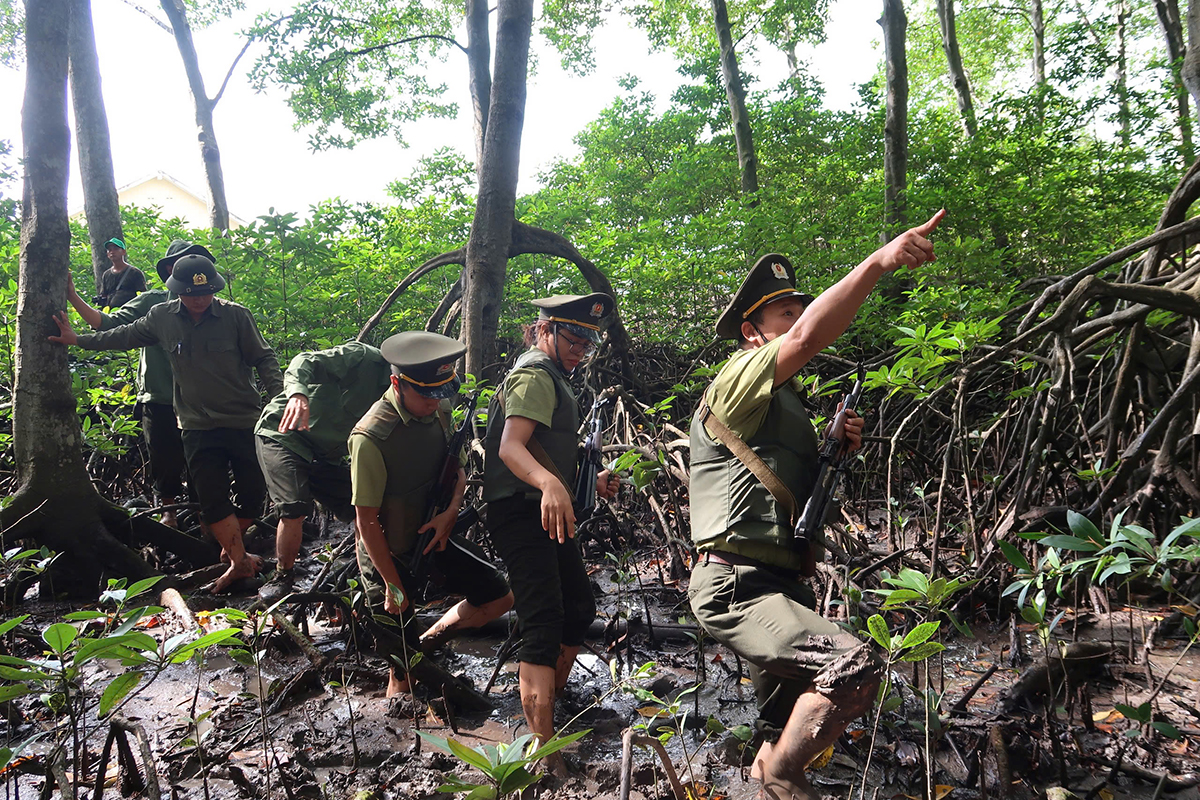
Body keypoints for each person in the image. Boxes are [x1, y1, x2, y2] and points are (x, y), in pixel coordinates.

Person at [687, 210, 945, 800]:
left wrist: (830, 450)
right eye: (785, 313)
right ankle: (781, 775)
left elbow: (790, 501)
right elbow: (807, 341)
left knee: (780, 729)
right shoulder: (737, 377)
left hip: (781, 584)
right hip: (737, 586)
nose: (798, 321)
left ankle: (772, 776)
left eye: (800, 308)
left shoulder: (785, 407)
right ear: (752, 332)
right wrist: (877, 262)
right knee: (854, 668)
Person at [51, 254, 283, 593]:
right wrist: (78, 340)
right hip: (196, 426)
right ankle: (237, 561)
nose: (200, 300)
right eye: (192, 294)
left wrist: (281, 398)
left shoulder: (236, 316)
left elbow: (264, 357)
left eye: (206, 293)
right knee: (212, 498)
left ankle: (232, 547)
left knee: (252, 494)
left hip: (242, 419)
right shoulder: (161, 316)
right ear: (177, 290)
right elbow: (121, 335)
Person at [481, 293, 620, 766]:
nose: (581, 347)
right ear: (545, 331)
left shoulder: (557, 377)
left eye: (588, 341)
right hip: (521, 512)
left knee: (579, 608)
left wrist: (590, 479)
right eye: (573, 336)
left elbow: (547, 445)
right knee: (541, 622)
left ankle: (549, 707)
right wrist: (548, 484)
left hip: (545, 510)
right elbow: (510, 447)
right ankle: (543, 756)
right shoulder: (535, 374)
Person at [349, 330, 513, 697]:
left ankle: (427, 641)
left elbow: (458, 472)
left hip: (434, 531)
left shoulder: (440, 409)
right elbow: (366, 520)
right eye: (424, 393)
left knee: (499, 596)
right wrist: (391, 584)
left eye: (441, 392)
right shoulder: (371, 437)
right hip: (386, 552)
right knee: (402, 671)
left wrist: (451, 512)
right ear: (397, 383)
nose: (434, 401)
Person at [65, 240, 212, 528]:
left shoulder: (211, 306)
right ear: (170, 269)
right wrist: (72, 297)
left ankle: (206, 518)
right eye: (182, 262)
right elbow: (106, 324)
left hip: (201, 402)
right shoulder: (152, 303)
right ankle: (168, 513)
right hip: (158, 397)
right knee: (164, 458)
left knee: (203, 461)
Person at [255, 341, 394, 602]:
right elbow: (303, 362)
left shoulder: (408, 396)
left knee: (366, 507)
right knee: (294, 506)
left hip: (326, 455)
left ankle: (365, 573)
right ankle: (282, 577)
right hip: (283, 435)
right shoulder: (363, 358)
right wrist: (297, 394)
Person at [97, 237, 147, 308]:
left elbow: (143, 296)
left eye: (116, 249)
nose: (112, 252)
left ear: (123, 252)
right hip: (111, 314)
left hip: (129, 313)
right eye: (109, 250)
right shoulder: (106, 274)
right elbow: (104, 294)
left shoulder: (135, 272)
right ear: (107, 254)